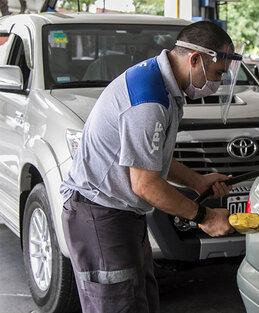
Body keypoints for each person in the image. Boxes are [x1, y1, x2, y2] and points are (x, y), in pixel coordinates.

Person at [60, 21, 239, 313]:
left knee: (140, 302)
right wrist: (204, 216)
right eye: (218, 73)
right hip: (101, 215)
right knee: (121, 307)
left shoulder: (163, 86)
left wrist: (196, 181)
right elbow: (144, 184)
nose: (217, 82)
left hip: (122, 216)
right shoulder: (149, 100)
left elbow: (149, 159)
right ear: (194, 59)